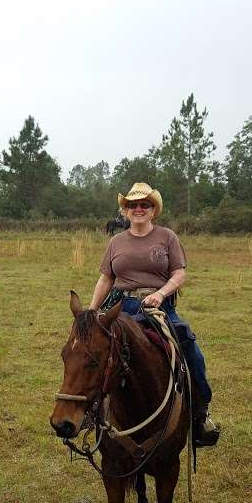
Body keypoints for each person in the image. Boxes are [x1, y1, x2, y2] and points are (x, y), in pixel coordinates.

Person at [88, 182, 219, 447]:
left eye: (144, 204)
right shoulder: (116, 242)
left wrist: (161, 293)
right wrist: (92, 311)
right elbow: (106, 278)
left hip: (159, 308)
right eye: (132, 205)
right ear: (125, 211)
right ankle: (91, 414)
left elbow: (179, 273)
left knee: (189, 346)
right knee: (92, 353)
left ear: (153, 210)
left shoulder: (167, 237)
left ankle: (199, 415)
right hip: (120, 307)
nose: (138, 209)